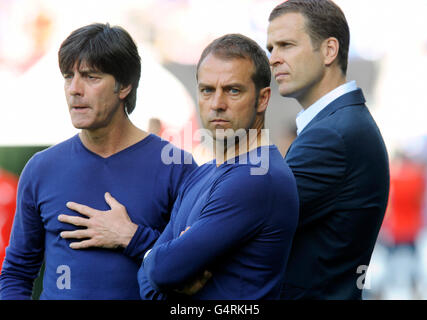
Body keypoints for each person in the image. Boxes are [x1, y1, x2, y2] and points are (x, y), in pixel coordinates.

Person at [0, 23, 196, 300]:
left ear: (124, 86)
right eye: (69, 77)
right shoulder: (41, 168)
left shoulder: (177, 167)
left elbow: (195, 268)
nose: (74, 89)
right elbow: (17, 272)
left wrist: (132, 238)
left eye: (91, 77)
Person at [136, 33, 299, 300]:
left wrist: (156, 261)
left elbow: (162, 271)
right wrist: (155, 262)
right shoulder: (201, 172)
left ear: (263, 99)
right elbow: (150, 279)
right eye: (207, 90)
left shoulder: (258, 177)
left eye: (233, 90)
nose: (217, 104)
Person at [266, 0, 390, 299]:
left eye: (286, 45)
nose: (273, 59)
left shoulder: (332, 134)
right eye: (271, 49)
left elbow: (255, 223)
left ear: (329, 50)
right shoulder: (339, 124)